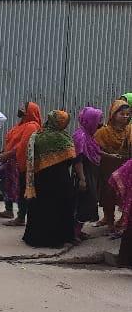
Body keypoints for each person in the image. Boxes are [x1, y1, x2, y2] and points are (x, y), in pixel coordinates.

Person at [22, 111, 79, 248]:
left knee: (41, 208)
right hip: (60, 179)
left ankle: (35, 238)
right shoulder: (61, 137)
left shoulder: (37, 135)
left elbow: (31, 157)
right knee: (59, 207)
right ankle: (59, 238)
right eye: (64, 121)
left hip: (41, 178)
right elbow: (71, 156)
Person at [0, 102, 43, 225]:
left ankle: (21, 217)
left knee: (22, 190)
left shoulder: (32, 126)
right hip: (12, 162)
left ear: (30, 111)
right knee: (6, 185)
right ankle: (8, 210)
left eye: (23, 108)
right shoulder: (21, 125)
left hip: (21, 164)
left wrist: (8, 154)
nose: (19, 109)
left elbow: (23, 146)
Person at [94, 99, 132, 237]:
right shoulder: (103, 132)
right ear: (113, 115)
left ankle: (123, 220)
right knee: (107, 194)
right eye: (122, 114)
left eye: (128, 114)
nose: (126, 117)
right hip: (107, 169)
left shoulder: (130, 130)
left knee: (124, 195)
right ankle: (108, 219)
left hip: (125, 169)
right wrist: (109, 156)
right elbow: (95, 149)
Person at [73, 106, 104, 240]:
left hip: (90, 173)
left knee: (88, 202)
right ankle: (74, 233)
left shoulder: (89, 136)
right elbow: (78, 159)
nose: (100, 123)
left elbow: (96, 151)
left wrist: (110, 156)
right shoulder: (81, 136)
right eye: (98, 120)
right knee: (84, 203)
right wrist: (82, 179)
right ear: (90, 121)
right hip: (84, 174)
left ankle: (78, 231)